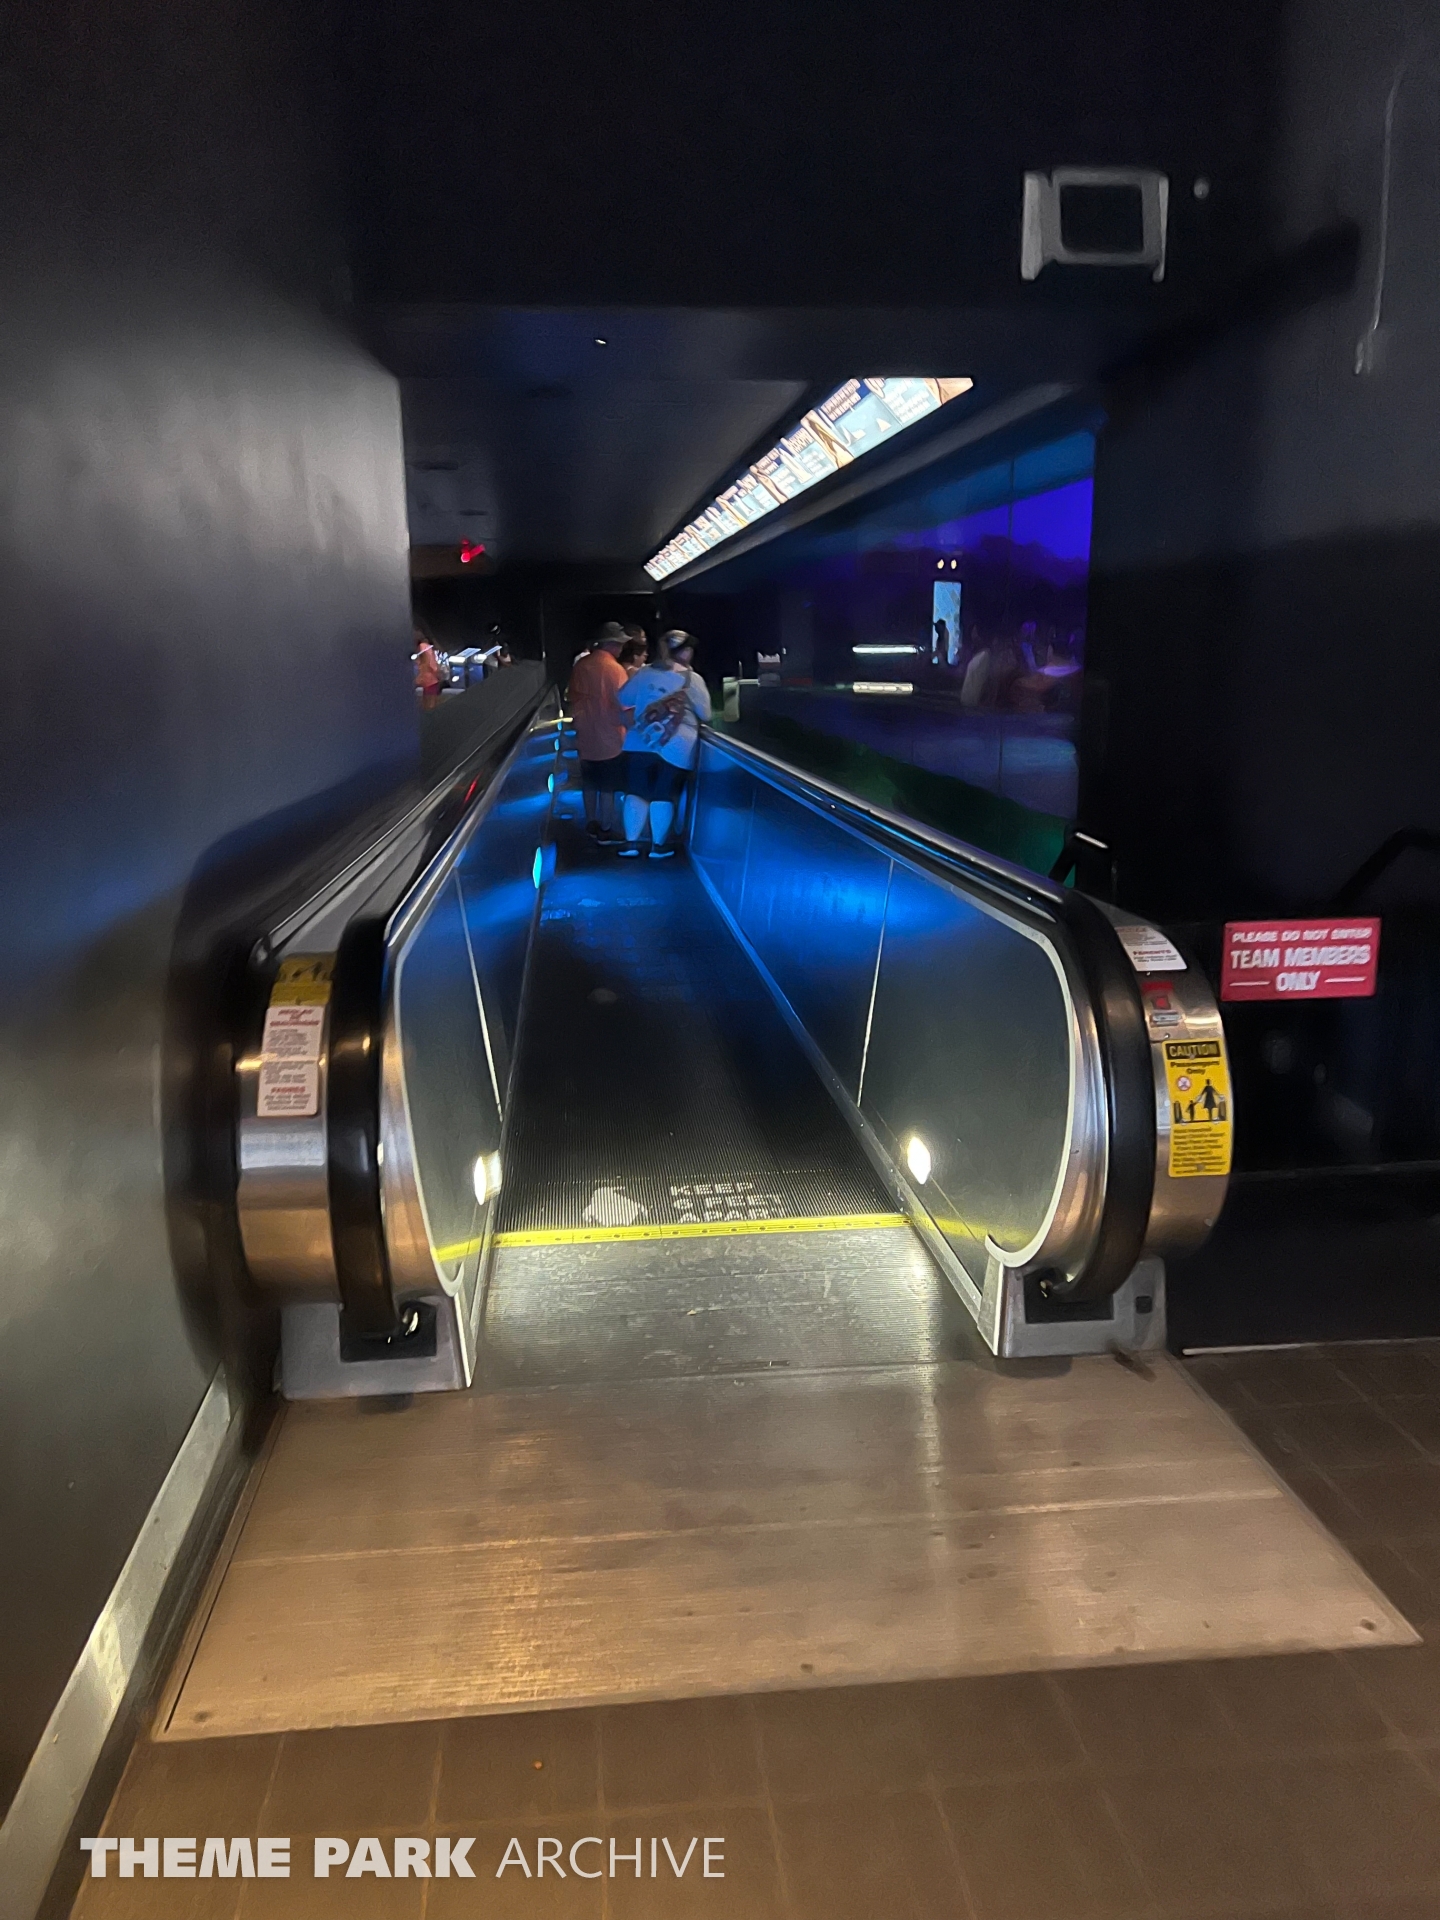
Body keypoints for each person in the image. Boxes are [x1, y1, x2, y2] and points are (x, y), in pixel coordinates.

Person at [614, 630, 711, 858]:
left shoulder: (644, 672)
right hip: (676, 746)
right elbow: (705, 714)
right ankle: (658, 846)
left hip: (640, 741)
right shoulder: (692, 679)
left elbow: (623, 698)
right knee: (664, 794)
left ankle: (631, 844)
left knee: (636, 791)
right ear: (685, 651)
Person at [566, 623, 628, 839]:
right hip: (610, 737)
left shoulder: (581, 665)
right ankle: (606, 828)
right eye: (620, 644)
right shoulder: (615, 669)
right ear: (611, 644)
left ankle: (591, 822)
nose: (621, 648)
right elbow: (624, 702)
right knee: (607, 787)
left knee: (590, 782)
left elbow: (572, 697)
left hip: (585, 736)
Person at [413, 627, 442, 711]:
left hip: (426, 676)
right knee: (431, 699)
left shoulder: (421, 647)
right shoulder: (425, 647)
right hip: (430, 677)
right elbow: (431, 662)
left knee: (427, 699)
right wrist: (436, 671)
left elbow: (426, 661)